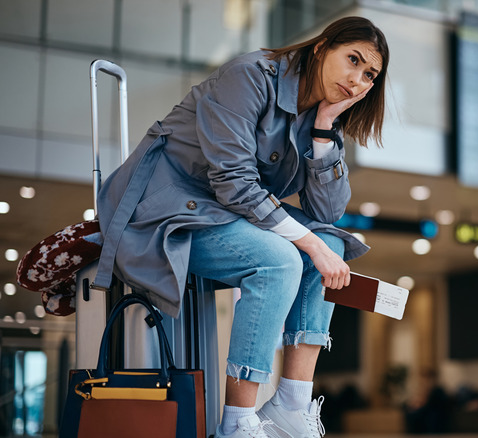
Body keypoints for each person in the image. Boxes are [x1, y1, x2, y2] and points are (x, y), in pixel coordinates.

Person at [92, 16, 389, 438]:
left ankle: (291, 403)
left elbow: (327, 211)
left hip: (222, 214)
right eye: (352, 60)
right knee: (281, 260)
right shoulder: (249, 75)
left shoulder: (322, 115)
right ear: (322, 48)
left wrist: (323, 130)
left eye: (369, 74)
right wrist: (308, 246)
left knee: (331, 245)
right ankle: (238, 423)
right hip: (164, 208)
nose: (357, 79)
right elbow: (233, 182)